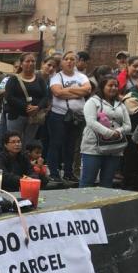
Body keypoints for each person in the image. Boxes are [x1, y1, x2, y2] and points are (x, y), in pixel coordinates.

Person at [47, 51, 91, 184]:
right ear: (62, 62)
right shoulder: (56, 77)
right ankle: (54, 173)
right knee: (56, 143)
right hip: (58, 115)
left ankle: (68, 172)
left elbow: (87, 90)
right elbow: (57, 92)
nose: (69, 61)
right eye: (66, 59)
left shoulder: (82, 76)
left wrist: (68, 91)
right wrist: (78, 91)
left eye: (72, 59)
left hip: (77, 117)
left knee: (71, 145)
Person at [80, 74, 131, 188]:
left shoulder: (121, 104)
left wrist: (118, 131)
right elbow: (91, 122)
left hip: (114, 149)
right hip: (93, 148)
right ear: (102, 86)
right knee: (87, 181)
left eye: (116, 86)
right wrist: (109, 133)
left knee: (107, 183)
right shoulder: (92, 102)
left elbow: (128, 125)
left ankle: (103, 206)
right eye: (110, 85)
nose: (113, 88)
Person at [4, 52, 49, 147]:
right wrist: (26, 107)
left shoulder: (40, 79)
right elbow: (9, 97)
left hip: (34, 117)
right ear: (21, 64)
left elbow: (46, 96)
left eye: (33, 61)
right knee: (14, 143)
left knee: (28, 143)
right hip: (16, 115)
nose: (31, 63)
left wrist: (37, 107)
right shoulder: (13, 79)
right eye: (27, 61)